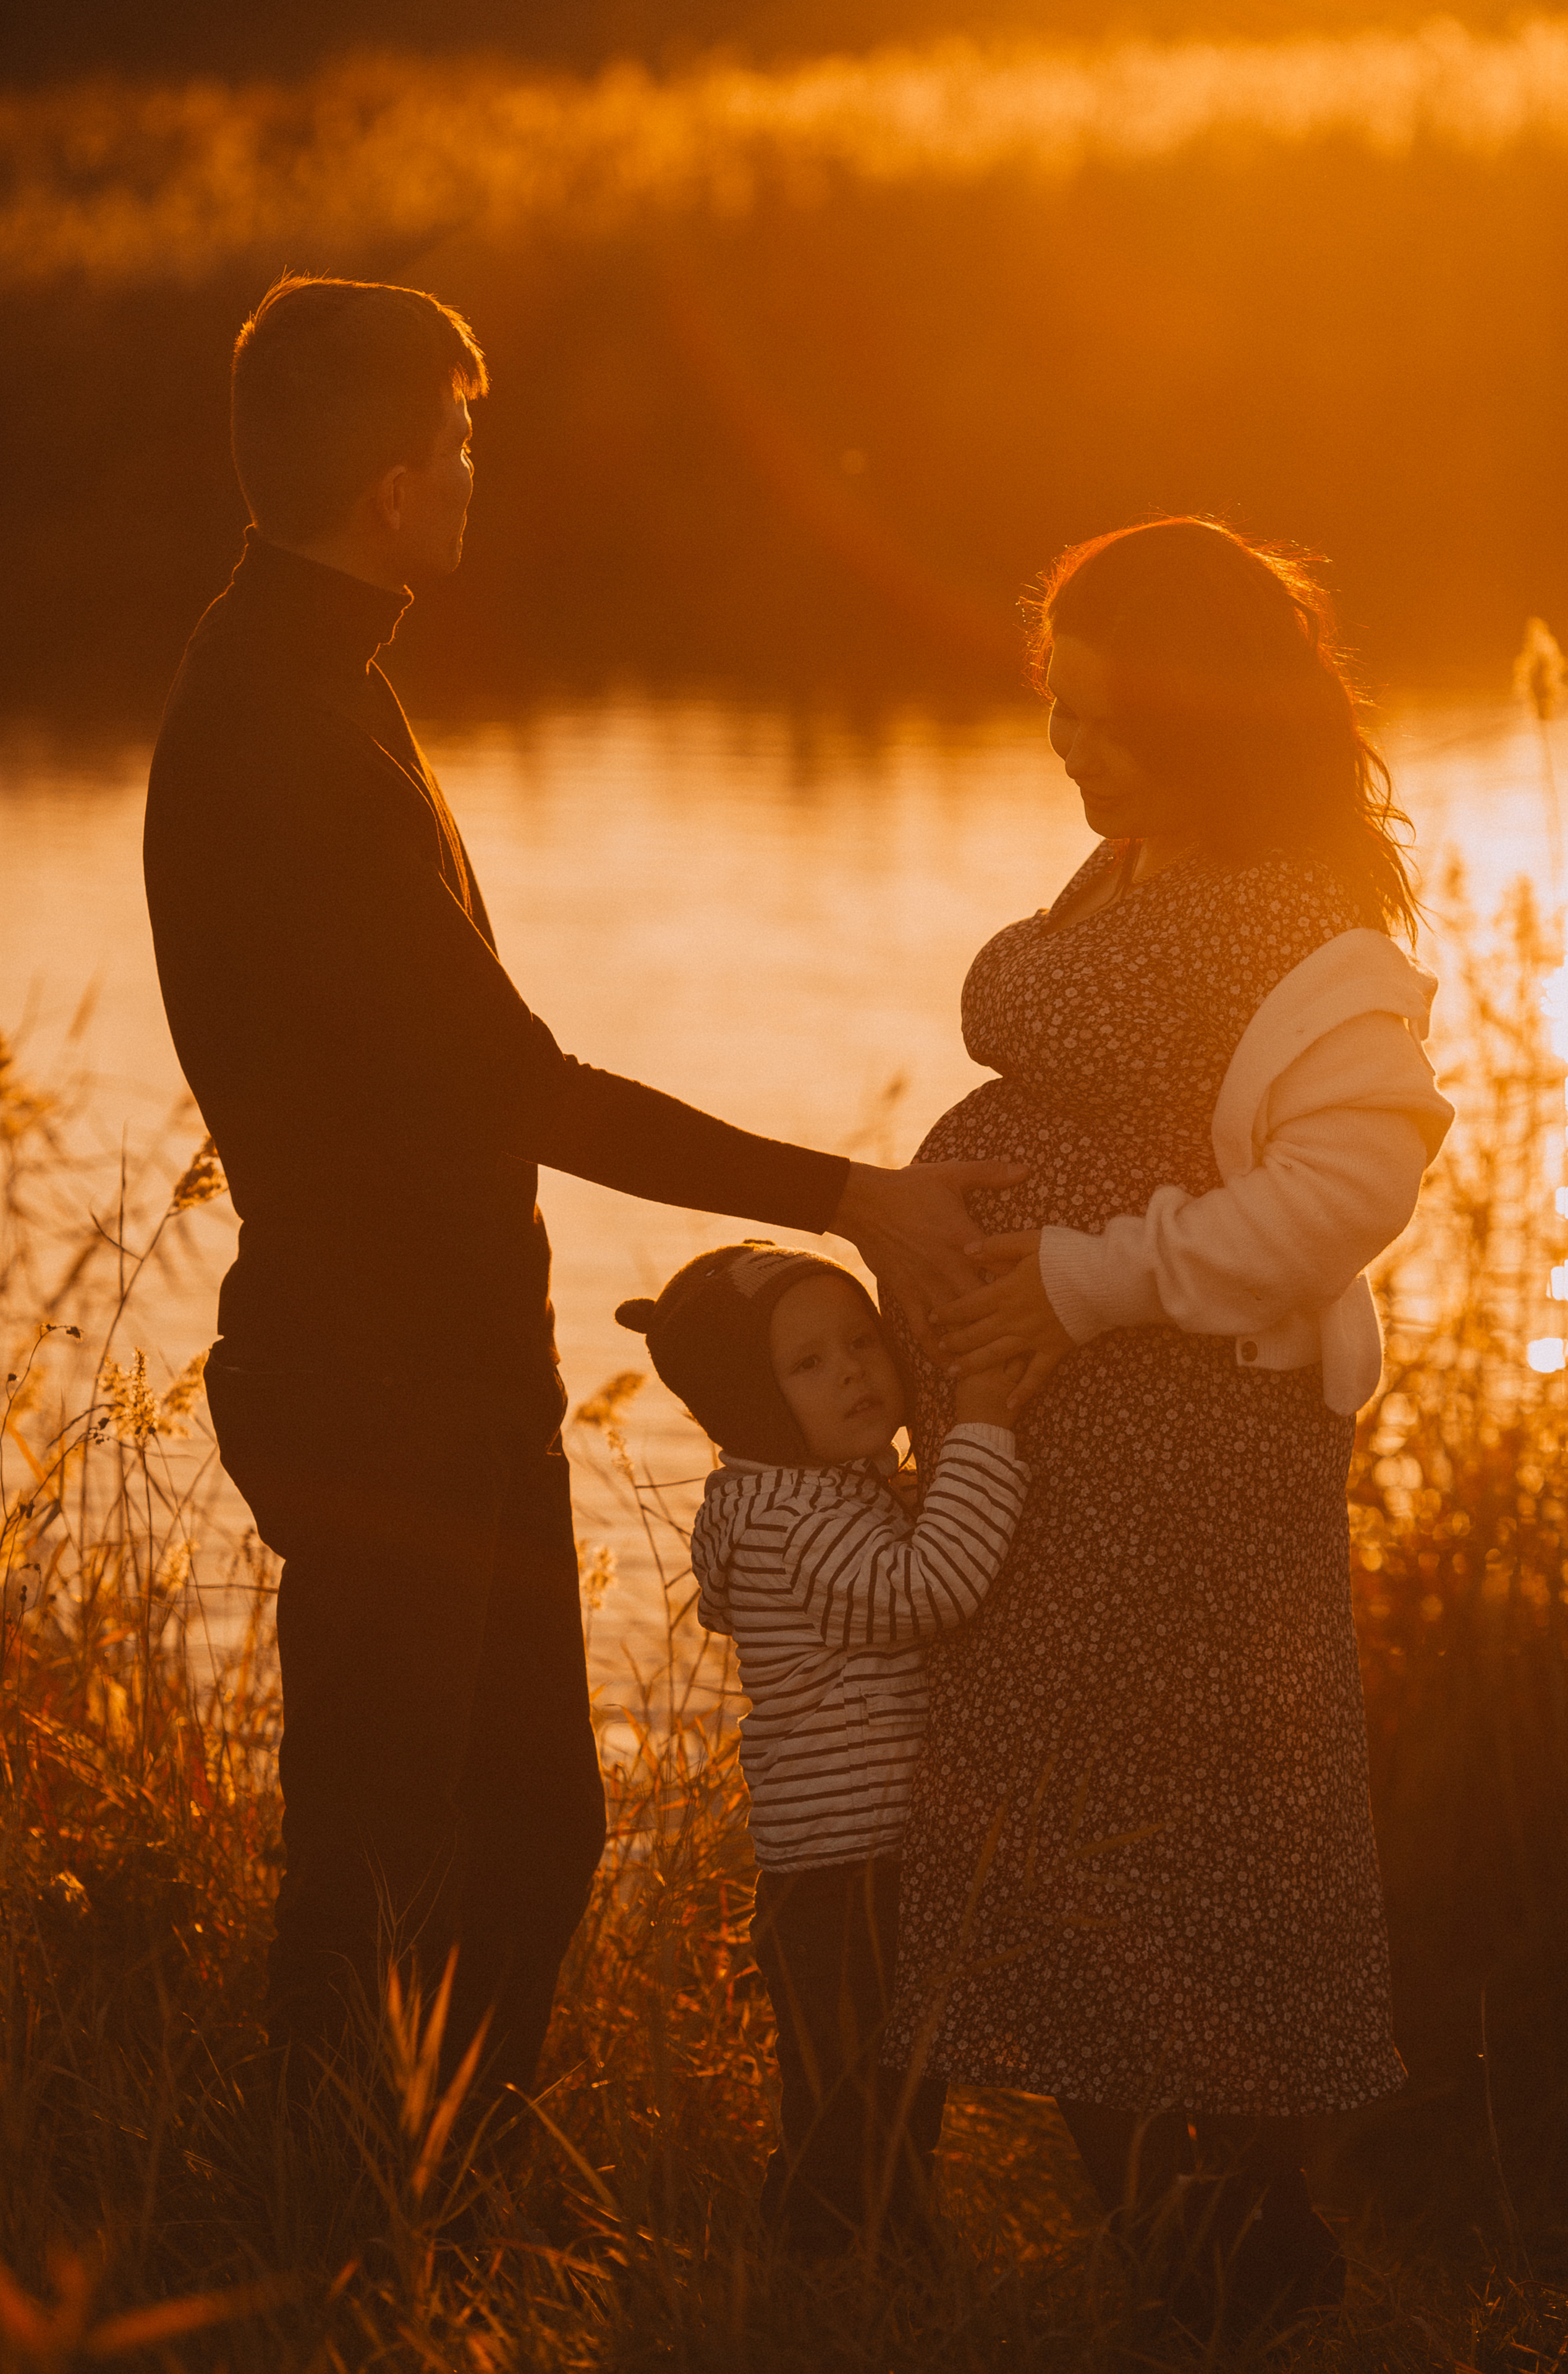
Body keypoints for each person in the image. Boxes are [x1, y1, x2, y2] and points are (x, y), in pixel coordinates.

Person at [142, 274, 1019, 2106]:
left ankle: (448, 2195)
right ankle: (347, 2219)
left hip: (455, 1375)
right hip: (378, 1392)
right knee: (388, 1860)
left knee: (529, 1828)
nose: (478, 473)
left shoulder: (316, 677)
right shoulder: (285, 734)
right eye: (460, 442)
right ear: (394, 486)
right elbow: (515, 1085)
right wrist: (849, 1197)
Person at [878, 519, 1455, 2338]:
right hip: (1044, 1476)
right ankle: (1184, 2252)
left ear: (1209, 719)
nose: (1070, 747)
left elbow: (1349, 1190)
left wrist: (1078, 1281)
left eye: (1110, 718)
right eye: (1059, 705)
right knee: (1049, 1842)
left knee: (1198, 1854)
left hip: (1189, 1480)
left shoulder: (1310, 931)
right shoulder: (1128, 865)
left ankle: (1243, 2256)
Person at [616, 1241, 1028, 2253]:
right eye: (807, 1365)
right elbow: (932, 1587)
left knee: (888, 2081)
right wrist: (983, 1423)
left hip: (850, 1859)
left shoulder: (796, 1493)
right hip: (848, 1869)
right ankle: (828, 2263)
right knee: (852, 2094)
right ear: (751, 1405)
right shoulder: (793, 1519)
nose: (851, 1371)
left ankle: (882, 2251)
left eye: (859, 1342)